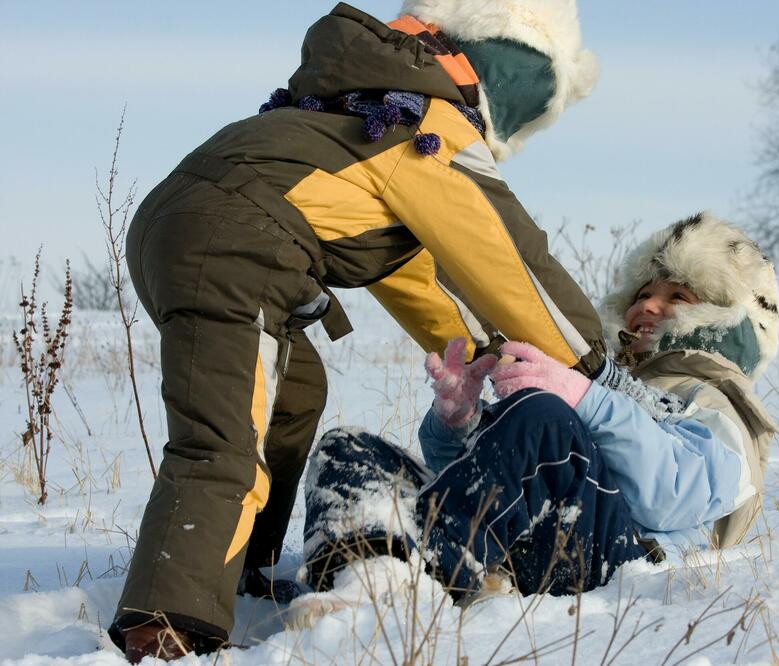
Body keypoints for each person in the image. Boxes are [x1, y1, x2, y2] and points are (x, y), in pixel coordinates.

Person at [110, 1, 679, 661]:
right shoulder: (424, 129)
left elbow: (422, 285)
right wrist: (588, 365)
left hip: (175, 227)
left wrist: (487, 359)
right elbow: (512, 261)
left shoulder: (358, 117)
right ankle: (165, 622)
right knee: (224, 432)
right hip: (234, 244)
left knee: (292, 393)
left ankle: (238, 567)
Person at [303, 212, 779, 603]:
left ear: (722, 317)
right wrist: (461, 424)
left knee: (541, 416)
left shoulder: (715, 396)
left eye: (677, 296)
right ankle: (352, 579)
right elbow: (493, 485)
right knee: (348, 446)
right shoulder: (608, 380)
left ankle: (416, 581)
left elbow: (676, 495)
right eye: (643, 294)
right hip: (540, 535)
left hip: (620, 556)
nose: (649, 306)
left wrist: (585, 400)